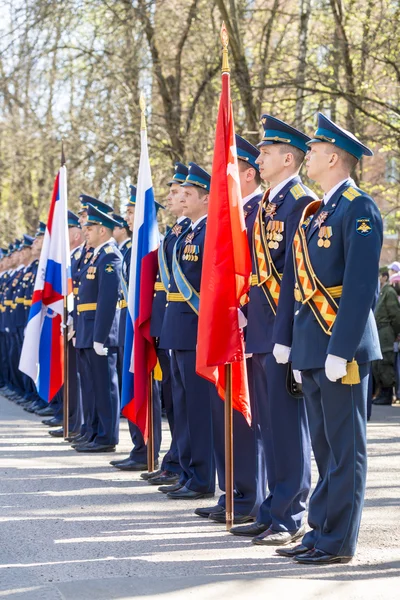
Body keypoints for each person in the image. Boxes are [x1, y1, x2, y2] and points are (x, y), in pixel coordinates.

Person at [273, 113, 383, 564]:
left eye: (314, 150)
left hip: (342, 350)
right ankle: (319, 530)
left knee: (345, 450)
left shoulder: (359, 208)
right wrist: (293, 343)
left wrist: (339, 349)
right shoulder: (318, 211)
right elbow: (296, 283)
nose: (309, 156)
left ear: (333, 157)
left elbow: (360, 289)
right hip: (313, 345)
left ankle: (338, 541)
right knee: (324, 447)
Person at [230, 116, 315, 545]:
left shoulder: (301, 202)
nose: (258, 159)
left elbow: (296, 277)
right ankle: (271, 507)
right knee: (267, 425)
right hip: (258, 326)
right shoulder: (264, 204)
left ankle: (290, 512)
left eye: (265, 153)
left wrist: (284, 333)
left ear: (287, 158)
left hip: (284, 330)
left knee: (286, 425)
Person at [196, 136, 267, 524]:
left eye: (229, 173)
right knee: (228, 416)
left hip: (251, 325)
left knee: (247, 417)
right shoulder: (235, 214)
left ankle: (252, 495)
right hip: (232, 322)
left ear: (248, 174)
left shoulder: (257, 211)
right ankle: (234, 492)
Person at [159, 162, 217, 500]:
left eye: (186, 192)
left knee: (196, 407)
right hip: (178, 325)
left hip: (195, 325)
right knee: (182, 405)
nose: (179, 197)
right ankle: (188, 470)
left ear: (204, 198)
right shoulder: (189, 231)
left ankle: (201, 477)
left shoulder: (207, 231)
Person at [144, 162, 192, 487]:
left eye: (178, 191)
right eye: (173, 191)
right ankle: (177, 459)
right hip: (170, 322)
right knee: (174, 400)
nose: (172, 197)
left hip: (185, 324)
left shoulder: (191, 231)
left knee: (184, 402)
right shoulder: (177, 232)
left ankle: (185, 463)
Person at [73, 203, 122, 453]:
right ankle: (93, 431)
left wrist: (101, 336)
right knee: (92, 385)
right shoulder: (95, 254)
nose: (86, 233)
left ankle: (106, 436)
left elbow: (107, 300)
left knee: (105, 386)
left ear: (103, 230)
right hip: (86, 327)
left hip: (100, 331)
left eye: (90, 228)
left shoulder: (110, 255)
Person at [372, 267, 400, 405]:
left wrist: (396, 333)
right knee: (378, 365)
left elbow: (395, 315)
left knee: (385, 364)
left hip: (386, 332)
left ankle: (387, 394)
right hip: (380, 332)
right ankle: (382, 393)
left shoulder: (389, 292)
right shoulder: (383, 291)